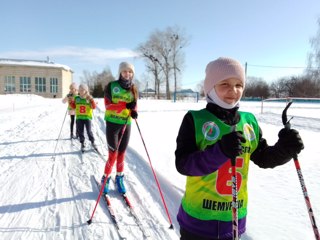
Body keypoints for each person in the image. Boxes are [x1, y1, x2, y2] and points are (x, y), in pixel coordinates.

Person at [175, 57, 304, 240]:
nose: (233, 90)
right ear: (211, 87)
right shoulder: (195, 120)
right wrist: (219, 152)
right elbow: (184, 164)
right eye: (225, 83)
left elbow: (264, 158)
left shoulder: (248, 121)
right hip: (198, 222)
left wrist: (286, 148)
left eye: (238, 85)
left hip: (234, 220)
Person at [101, 62, 138, 194]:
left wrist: (133, 111)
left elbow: (133, 105)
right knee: (113, 154)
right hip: (113, 123)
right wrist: (124, 105)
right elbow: (107, 105)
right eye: (124, 71)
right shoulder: (111, 86)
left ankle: (119, 177)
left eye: (129, 71)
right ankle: (105, 178)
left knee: (122, 153)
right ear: (120, 72)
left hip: (126, 124)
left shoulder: (134, 88)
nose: (127, 73)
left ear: (132, 73)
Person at [69, 83, 97, 152]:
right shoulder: (77, 98)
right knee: (80, 131)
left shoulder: (88, 98)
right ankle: (82, 143)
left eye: (83, 90)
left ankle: (92, 142)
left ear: (86, 91)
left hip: (87, 118)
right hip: (79, 118)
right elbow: (73, 106)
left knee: (89, 131)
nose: (81, 91)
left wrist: (92, 100)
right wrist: (71, 101)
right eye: (80, 90)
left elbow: (94, 107)